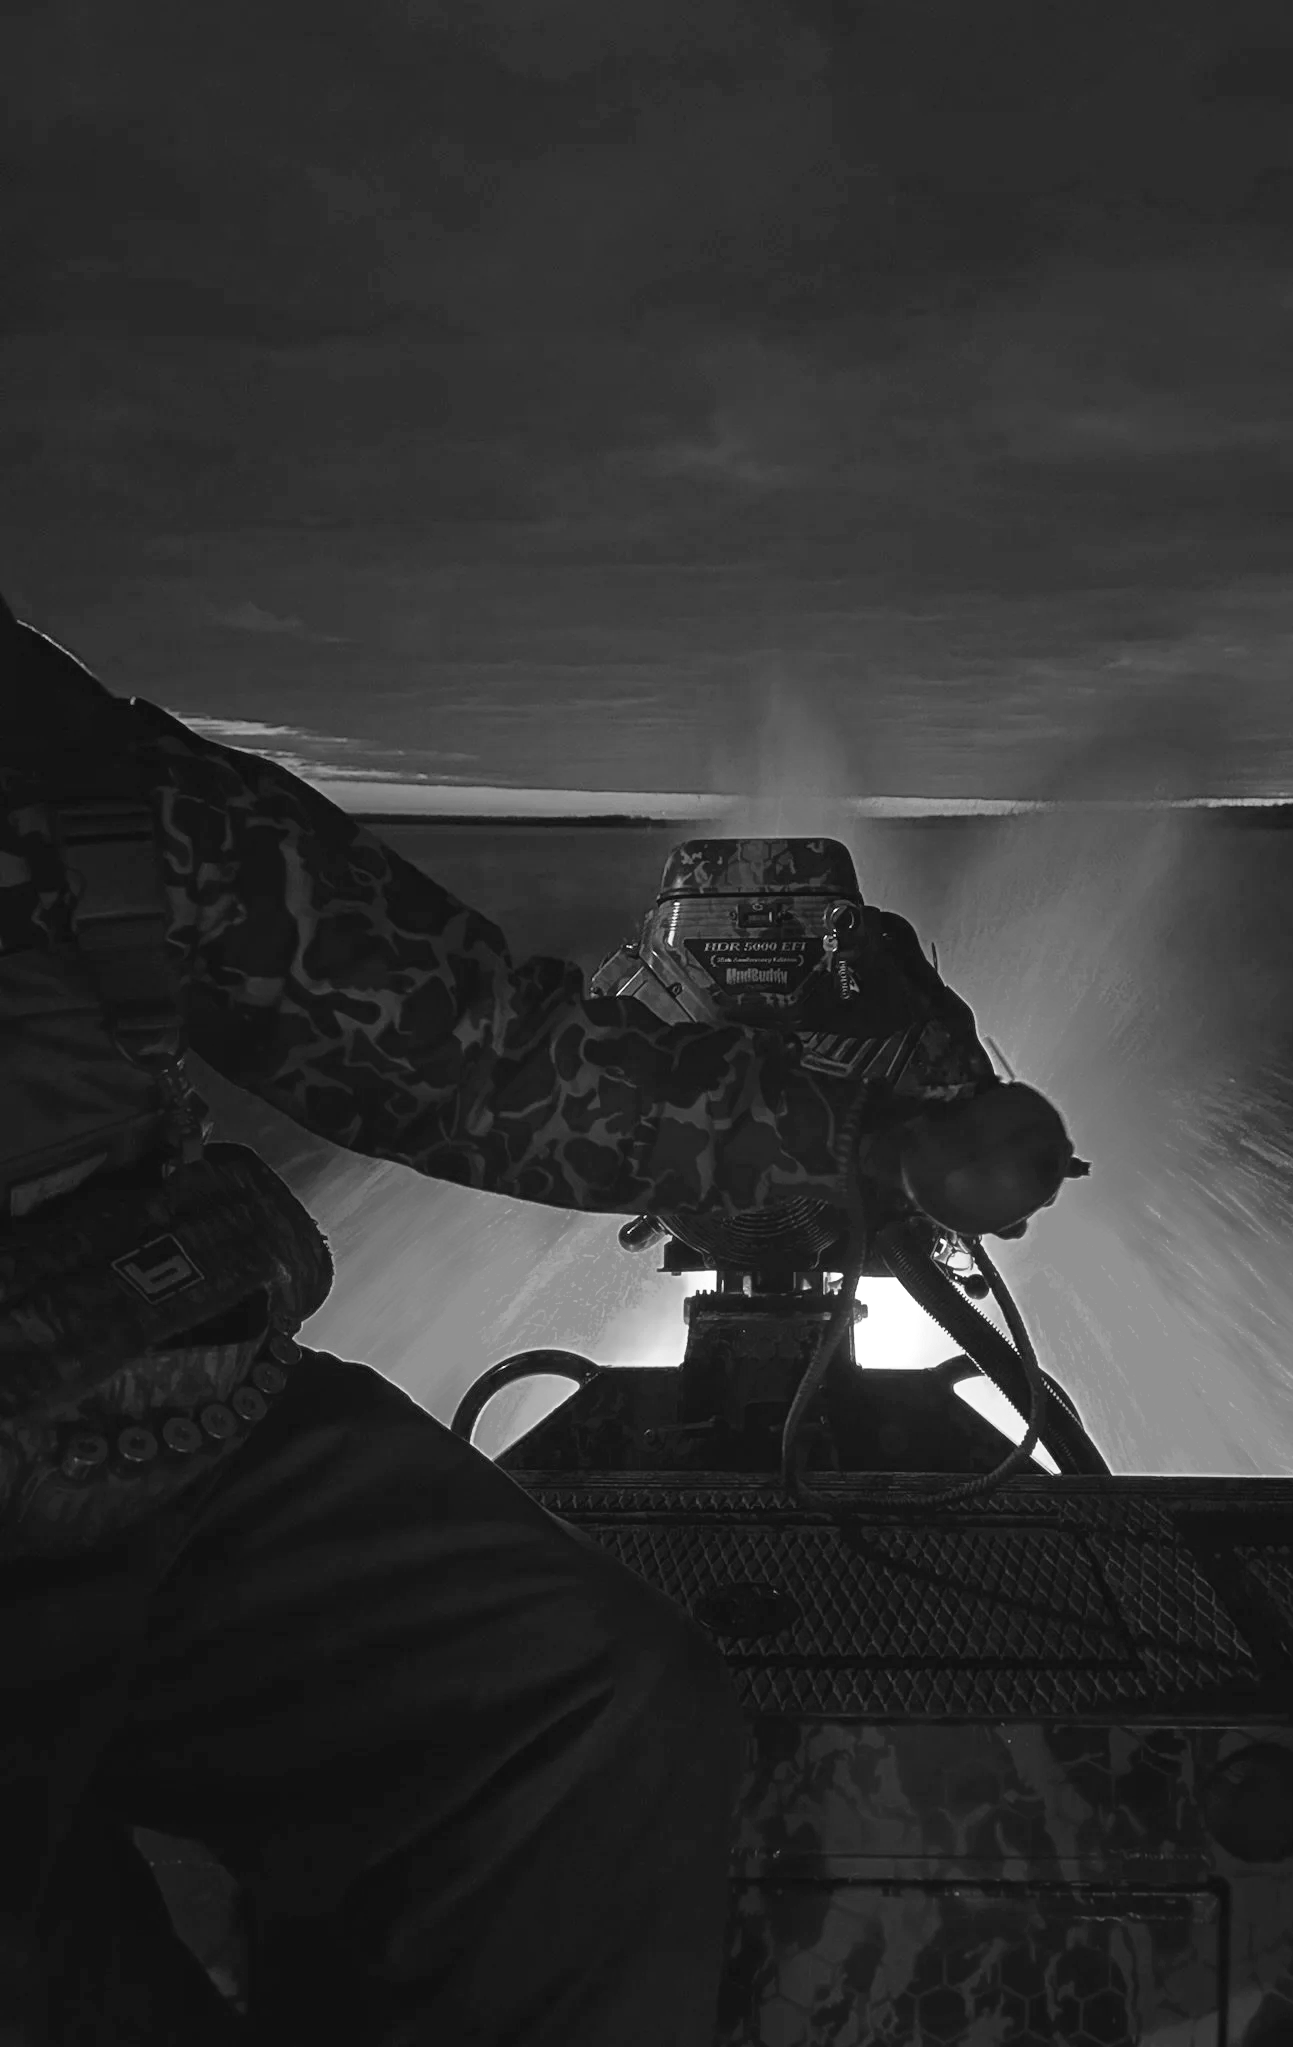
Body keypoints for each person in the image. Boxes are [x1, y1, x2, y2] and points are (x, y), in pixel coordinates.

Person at [0, 596, 1083, 2045]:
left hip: (154, 1429)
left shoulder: (64, 761)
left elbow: (466, 1049)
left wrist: (869, 1143)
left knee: (592, 1715)